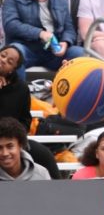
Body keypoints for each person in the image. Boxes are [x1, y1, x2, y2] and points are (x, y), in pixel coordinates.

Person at [1, 0, 85, 78]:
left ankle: (70, 90)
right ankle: (18, 90)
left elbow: (69, 29)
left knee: (80, 53)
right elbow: (10, 25)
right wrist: (40, 33)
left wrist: (65, 42)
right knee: (13, 53)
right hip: (25, 48)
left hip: (54, 52)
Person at [0, 43, 61, 178]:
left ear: (13, 69)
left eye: (9, 61)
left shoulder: (21, 88)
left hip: (12, 139)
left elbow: (25, 120)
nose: (3, 60)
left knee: (44, 154)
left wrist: (16, 138)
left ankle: (59, 189)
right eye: (2, 55)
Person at [0, 116, 52, 181]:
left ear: (20, 146)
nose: (5, 153)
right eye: (0, 148)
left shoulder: (41, 174)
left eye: (10, 146)